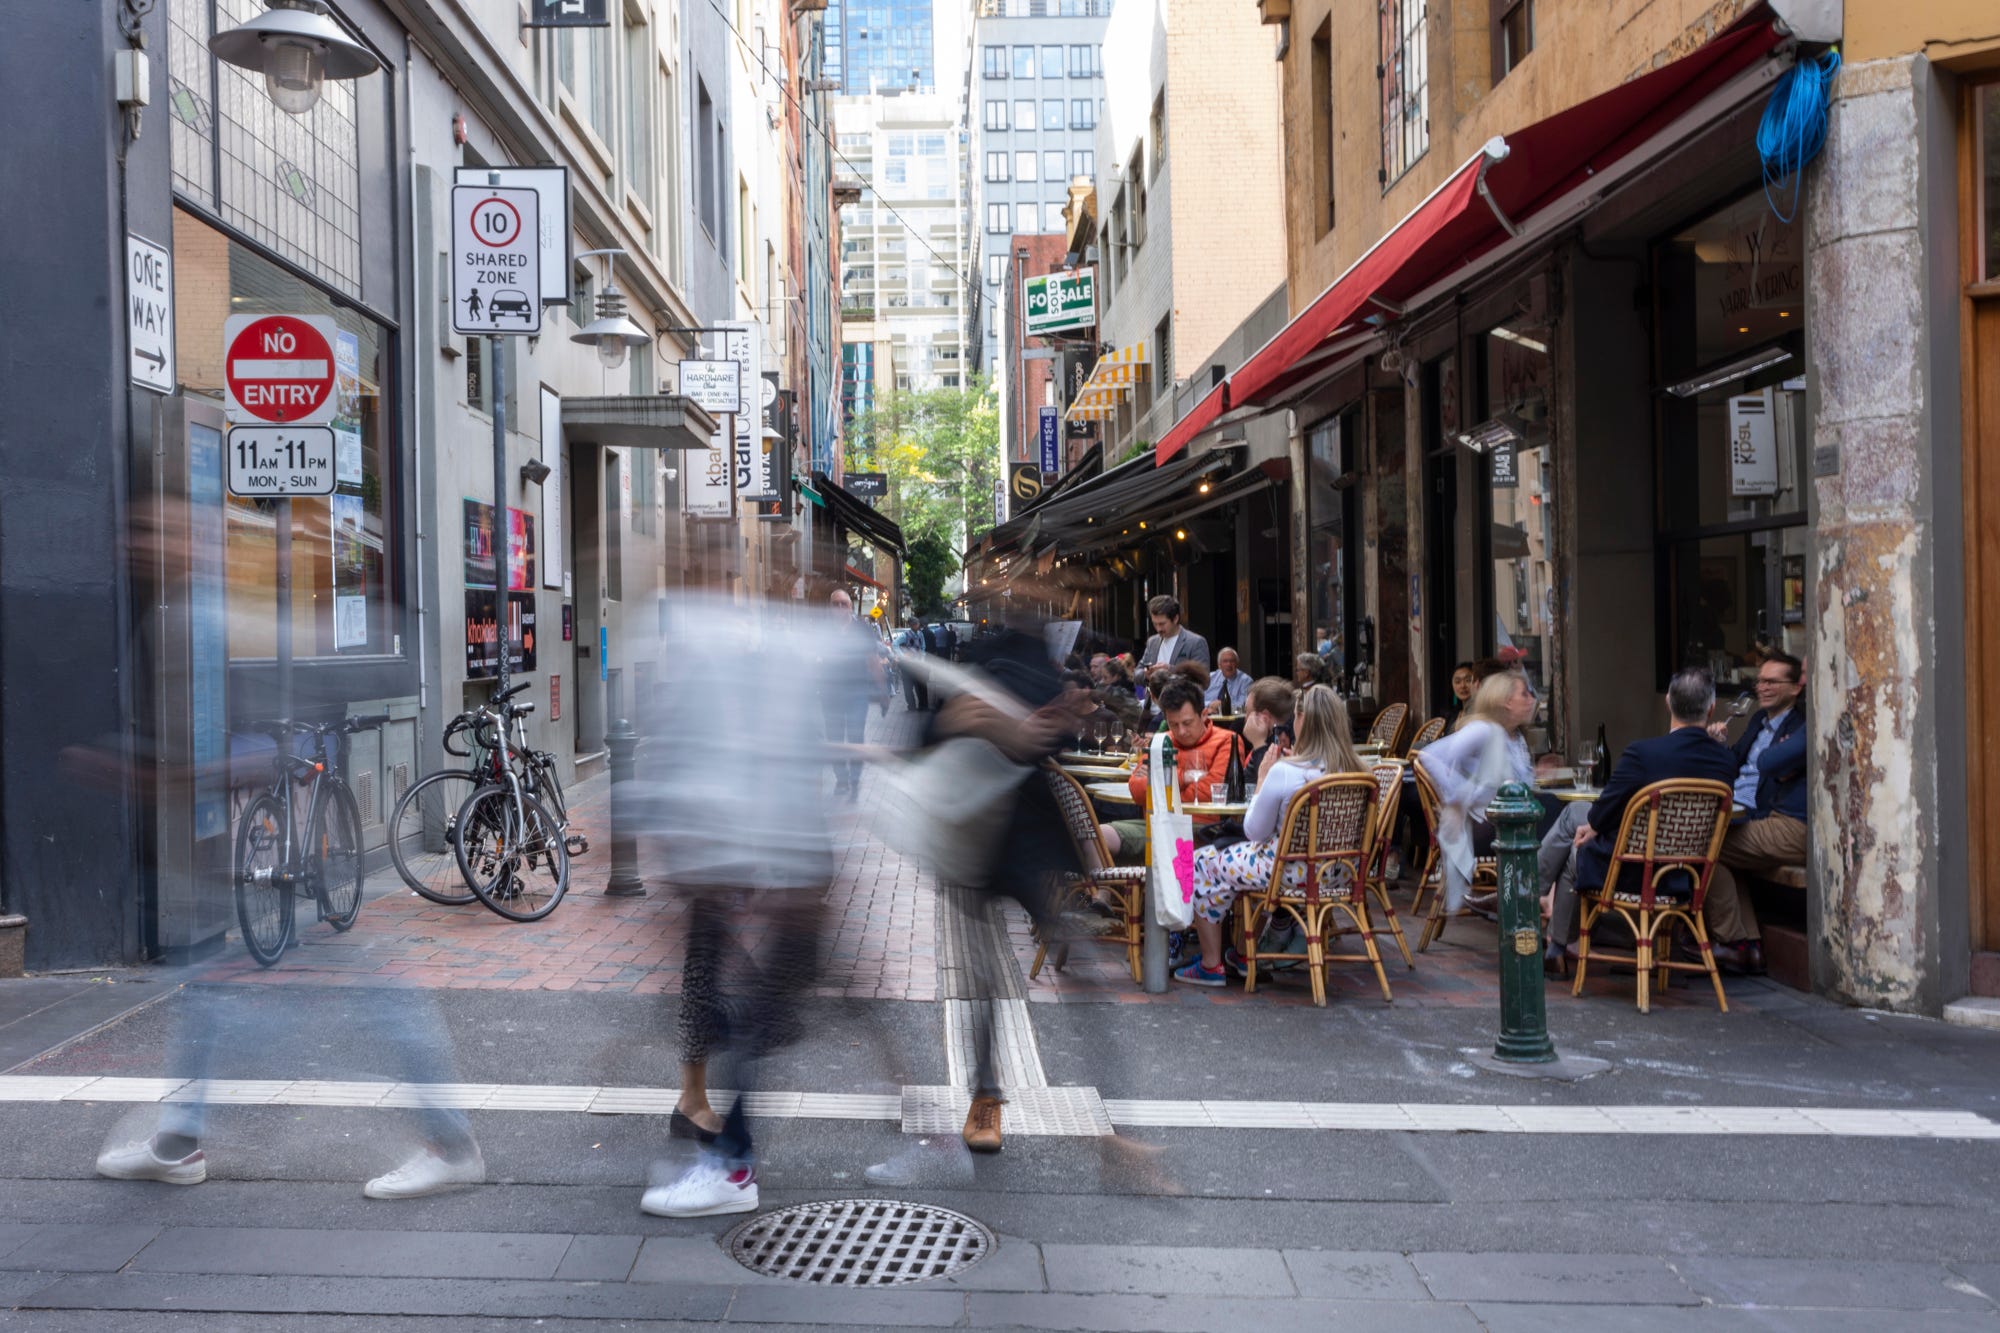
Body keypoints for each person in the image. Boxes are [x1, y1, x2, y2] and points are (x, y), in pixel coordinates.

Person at [1538, 668, 1742, 962]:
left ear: (1668, 702)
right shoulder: (1725, 761)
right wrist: (1594, 825)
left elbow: (1609, 803)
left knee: (1576, 844)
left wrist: (1594, 827)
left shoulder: (1643, 753)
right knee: (1574, 816)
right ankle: (1548, 925)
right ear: (1711, 709)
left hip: (1630, 870)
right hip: (1686, 873)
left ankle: (1534, 906)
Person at [1175, 685, 1363, 985]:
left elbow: (1253, 831)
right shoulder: (1356, 770)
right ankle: (1242, 954)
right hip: (1340, 871)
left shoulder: (1286, 771)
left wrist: (1263, 779)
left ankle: (1210, 965)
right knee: (1231, 862)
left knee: (1198, 861)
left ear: (1302, 720)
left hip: (1289, 871)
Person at [1699, 650, 1809, 973]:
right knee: (1719, 850)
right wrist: (1719, 748)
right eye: (1760, 681)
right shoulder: (1759, 720)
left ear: (1796, 687)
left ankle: (1734, 942)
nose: (1763, 687)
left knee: (1704, 845)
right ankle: (1749, 947)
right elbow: (1740, 763)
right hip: (1746, 812)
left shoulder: (1802, 725)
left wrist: (1778, 760)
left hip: (1774, 819)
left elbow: (1769, 765)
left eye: (1773, 682)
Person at [1415, 670, 1539, 915]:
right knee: (1554, 823)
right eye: (1524, 694)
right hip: (1485, 825)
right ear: (1506, 701)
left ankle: (1535, 903)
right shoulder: (1484, 730)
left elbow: (1517, 784)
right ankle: (1525, 902)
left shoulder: (1516, 738)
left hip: (1510, 818)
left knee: (1554, 819)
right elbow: (1428, 755)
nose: (1531, 699)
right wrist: (1457, 798)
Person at [1098, 679, 1249, 863]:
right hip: (1157, 825)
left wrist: (1159, 781)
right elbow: (1137, 790)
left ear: (1203, 714)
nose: (1181, 731)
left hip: (1203, 829)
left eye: (1187, 723)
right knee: (1095, 836)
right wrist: (1183, 778)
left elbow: (1210, 792)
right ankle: (1104, 892)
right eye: (1173, 724)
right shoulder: (1161, 741)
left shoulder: (1228, 740)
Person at [820, 590, 880, 801]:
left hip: (857, 693)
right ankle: (842, 779)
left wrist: (883, 691)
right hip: (831, 694)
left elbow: (873, 660)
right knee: (835, 739)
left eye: (843, 604)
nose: (839, 608)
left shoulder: (862, 629)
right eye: (835, 604)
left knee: (855, 738)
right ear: (830, 607)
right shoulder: (823, 630)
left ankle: (854, 781)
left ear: (851, 607)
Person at [1135, 594, 1211, 672]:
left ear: (1175, 619)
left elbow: (1202, 677)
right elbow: (1137, 672)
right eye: (1154, 624)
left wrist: (1170, 670)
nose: (1158, 629)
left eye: (1162, 624)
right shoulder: (1152, 642)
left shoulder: (1195, 642)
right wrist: (1146, 674)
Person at [1203, 647, 1250, 715]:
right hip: (1208, 716)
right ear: (1219, 665)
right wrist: (1210, 705)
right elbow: (1197, 700)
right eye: (1225, 661)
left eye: (1232, 661)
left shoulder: (1246, 681)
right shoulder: (1210, 678)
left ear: (1237, 664)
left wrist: (1222, 705)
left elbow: (1244, 706)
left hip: (1231, 719)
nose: (1229, 664)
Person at [1442, 661, 1477, 725]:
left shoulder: (1481, 715)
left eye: (1468, 680)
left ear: (1477, 682)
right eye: (1457, 681)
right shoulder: (1451, 716)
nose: (1463, 686)